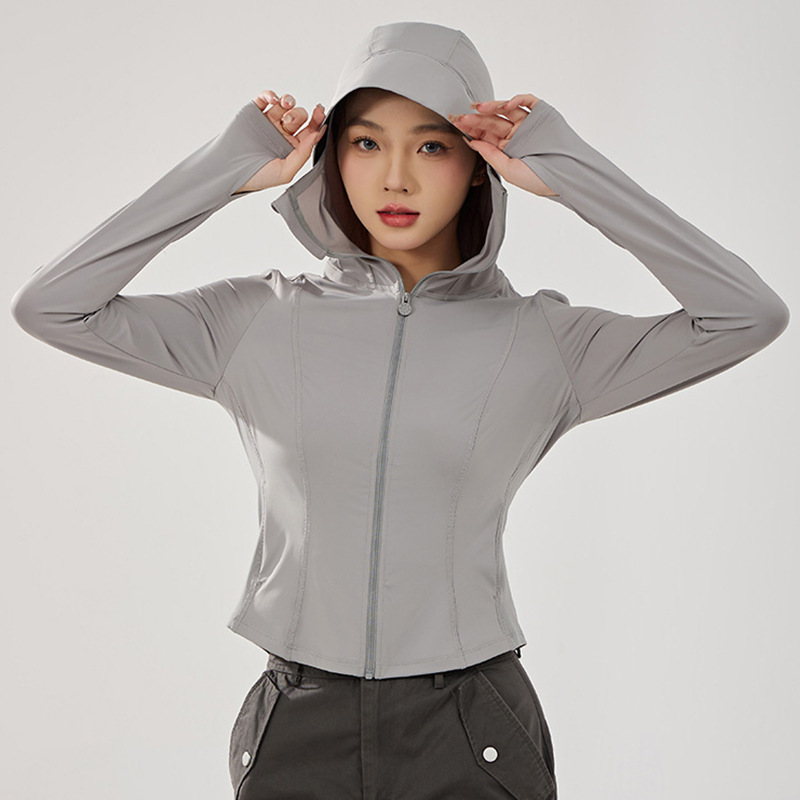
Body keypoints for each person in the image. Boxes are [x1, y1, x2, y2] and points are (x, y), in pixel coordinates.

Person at [10, 20, 789, 800]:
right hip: (299, 722)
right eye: (366, 143)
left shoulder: (543, 342)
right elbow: (54, 306)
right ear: (332, 158)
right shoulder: (258, 322)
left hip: (471, 726)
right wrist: (225, 168)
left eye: (431, 146)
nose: (395, 179)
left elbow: (744, 315)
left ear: (478, 166)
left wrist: (572, 172)